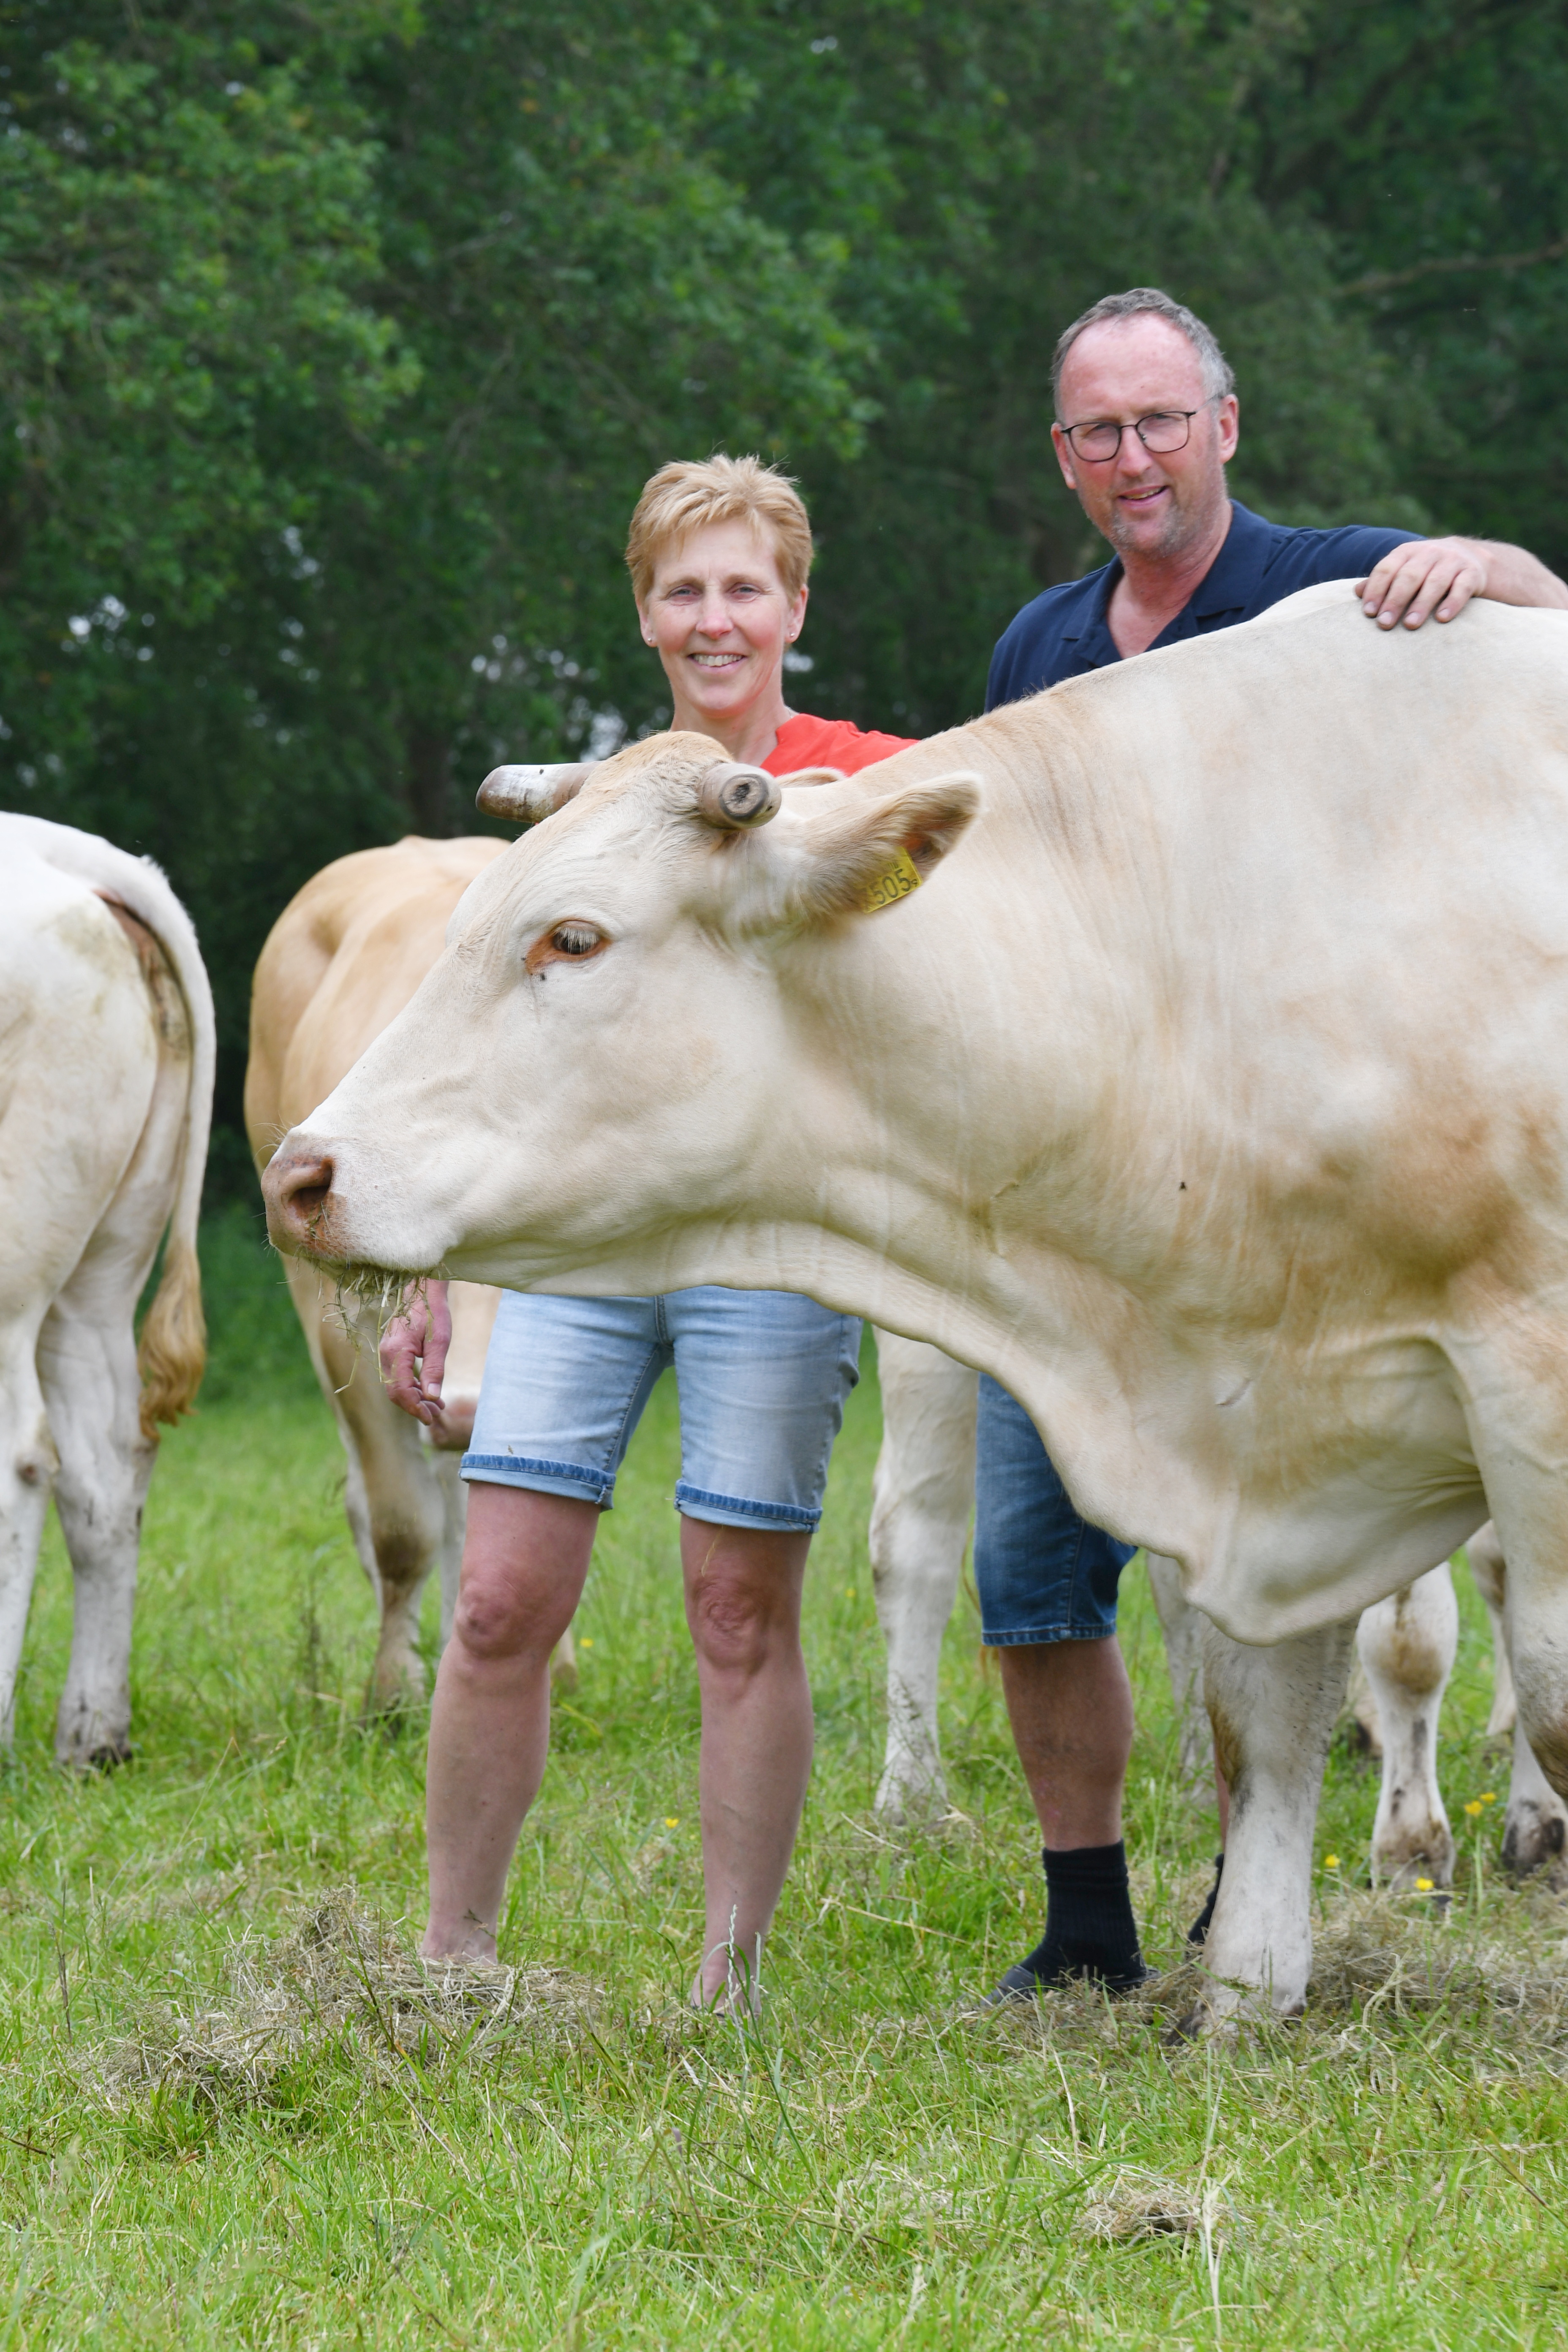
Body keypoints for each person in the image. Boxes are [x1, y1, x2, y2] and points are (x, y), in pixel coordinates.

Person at [980, 285, 1568, 2003]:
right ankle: (1085, 1915)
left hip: (1294, 1181)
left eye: (1160, 420)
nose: (1132, 456)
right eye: (1097, 431)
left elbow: (1544, 625)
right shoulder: (1040, 652)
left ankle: (1254, 1885)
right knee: (1033, 1562)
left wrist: (1491, 562)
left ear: (1223, 426)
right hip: (1085, 1172)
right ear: (1063, 458)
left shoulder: (1329, 584)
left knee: (1241, 1547)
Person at [380, 456, 915, 2005]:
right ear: (644, 615)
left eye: (745, 586)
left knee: (738, 1608)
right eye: (684, 590)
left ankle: (727, 1979)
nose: (715, 617)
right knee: (496, 1603)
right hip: (595, 1251)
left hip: (767, 1251)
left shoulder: (866, 786)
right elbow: (501, 1044)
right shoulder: (597, 813)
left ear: (796, 607)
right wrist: (439, 1254)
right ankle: (450, 1959)